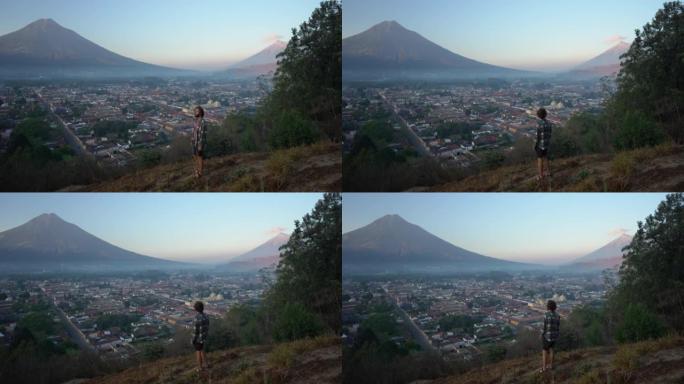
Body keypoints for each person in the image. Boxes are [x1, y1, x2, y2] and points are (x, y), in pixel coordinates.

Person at [540, 299, 560, 373]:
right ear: (555, 307)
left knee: (544, 351)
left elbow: (543, 327)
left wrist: (541, 334)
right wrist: (557, 334)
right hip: (554, 336)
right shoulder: (557, 315)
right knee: (552, 350)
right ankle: (551, 366)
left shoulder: (546, 315)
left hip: (547, 336)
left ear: (548, 307)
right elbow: (558, 326)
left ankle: (544, 368)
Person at [534, 108, 553, 182]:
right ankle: (548, 172)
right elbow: (550, 133)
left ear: (538, 115)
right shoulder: (549, 123)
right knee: (546, 158)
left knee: (540, 159)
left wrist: (535, 145)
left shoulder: (538, 124)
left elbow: (537, 136)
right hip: (547, 143)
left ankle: (540, 175)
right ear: (545, 114)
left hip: (540, 144)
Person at [192, 301, 210, 372]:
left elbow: (195, 331)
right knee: (202, 349)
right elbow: (207, 326)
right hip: (204, 336)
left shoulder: (196, 318)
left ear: (195, 309)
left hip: (198, 338)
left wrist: (193, 340)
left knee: (198, 352)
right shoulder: (206, 316)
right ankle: (206, 364)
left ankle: (199, 367)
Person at [192, 106, 208, 178]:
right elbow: (194, 131)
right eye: (195, 111)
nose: (195, 112)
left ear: (200, 112)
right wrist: (192, 138)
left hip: (199, 143)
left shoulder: (203, 122)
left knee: (200, 157)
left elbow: (203, 134)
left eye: (197, 111)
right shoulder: (196, 120)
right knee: (195, 157)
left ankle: (200, 173)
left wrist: (200, 145)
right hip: (194, 142)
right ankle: (196, 171)